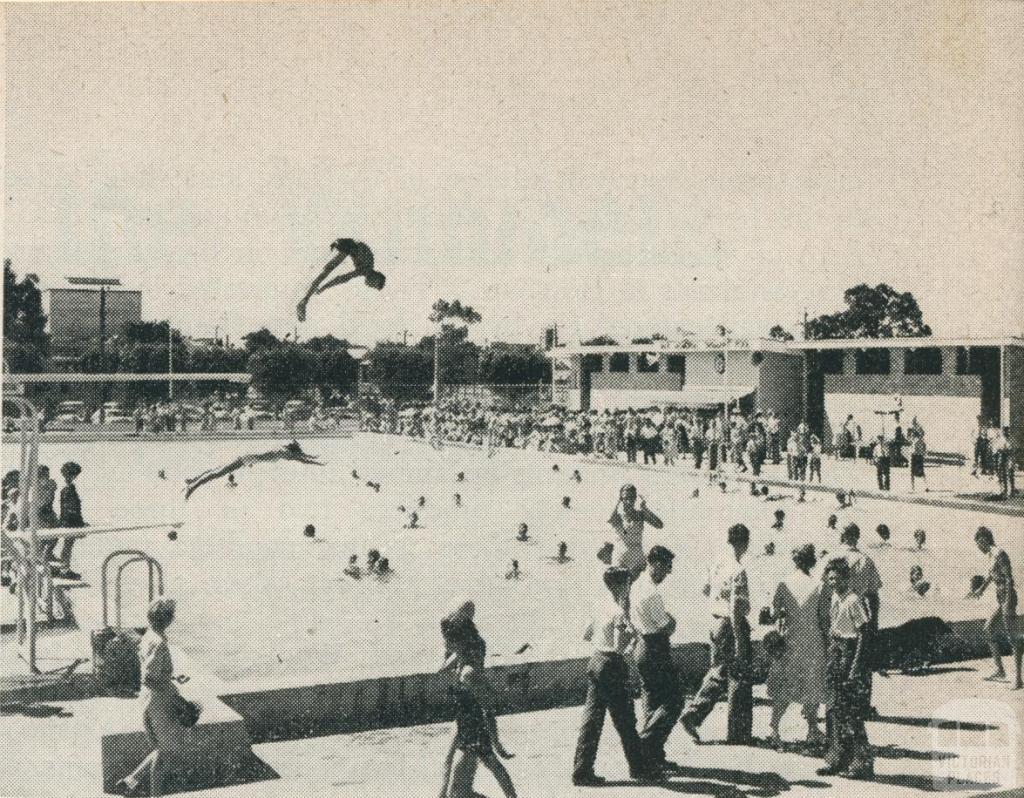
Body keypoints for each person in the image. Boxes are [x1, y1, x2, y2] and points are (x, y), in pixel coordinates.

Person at [572, 566, 658, 785]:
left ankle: (581, 771)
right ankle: (638, 768)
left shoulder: (600, 606)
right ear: (621, 585)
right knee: (625, 720)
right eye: (628, 583)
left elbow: (586, 634)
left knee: (591, 720)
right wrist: (631, 636)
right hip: (612, 666)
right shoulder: (618, 612)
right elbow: (620, 647)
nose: (630, 588)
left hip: (596, 661)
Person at [678, 523, 752, 745]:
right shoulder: (738, 570)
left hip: (715, 622)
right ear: (745, 543)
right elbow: (736, 608)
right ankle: (737, 732)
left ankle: (694, 713)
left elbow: (705, 590)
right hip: (731, 624)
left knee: (718, 671)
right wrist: (739, 639)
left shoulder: (717, 563)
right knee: (737, 675)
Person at [437, 602, 517, 798]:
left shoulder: (468, 673)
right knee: (449, 764)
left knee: (461, 790)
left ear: (458, 642)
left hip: (473, 727)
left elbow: (487, 707)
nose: (444, 645)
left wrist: (497, 742)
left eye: (447, 641)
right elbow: (468, 605)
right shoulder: (466, 653)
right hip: (463, 720)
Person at [115, 598, 189, 796]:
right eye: (171, 615)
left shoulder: (149, 636)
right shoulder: (160, 643)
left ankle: (131, 781)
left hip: (148, 701)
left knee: (162, 749)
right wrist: (175, 696)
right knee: (165, 753)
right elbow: (148, 677)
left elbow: (150, 671)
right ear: (168, 619)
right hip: (159, 704)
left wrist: (171, 676)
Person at [817, 558, 874, 779]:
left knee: (851, 714)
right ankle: (837, 759)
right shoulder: (834, 597)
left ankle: (862, 763)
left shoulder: (853, 600)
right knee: (834, 712)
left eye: (836, 578)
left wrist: (856, 665)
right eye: (829, 578)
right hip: (836, 653)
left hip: (849, 656)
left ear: (846, 578)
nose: (832, 582)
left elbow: (863, 634)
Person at [765, 544, 825, 747]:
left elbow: (773, 615)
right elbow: (824, 618)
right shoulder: (819, 584)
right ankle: (812, 729)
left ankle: (773, 728)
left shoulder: (784, 583)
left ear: (795, 561)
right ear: (812, 561)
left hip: (790, 640)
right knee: (812, 684)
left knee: (785, 685)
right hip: (813, 640)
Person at [819, 524, 882, 711]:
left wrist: (823, 622)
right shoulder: (866, 560)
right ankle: (861, 706)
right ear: (857, 536)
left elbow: (821, 593)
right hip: (858, 609)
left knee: (836, 661)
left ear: (842, 536)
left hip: (837, 611)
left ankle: (836, 703)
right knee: (860, 660)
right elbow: (874, 596)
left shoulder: (830, 558)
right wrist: (874, 623)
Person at [633, 546, 682, 774]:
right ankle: (646, 744)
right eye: (667, 567)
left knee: (652, 702)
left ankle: (653, 756)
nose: (668, 573)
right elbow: (667, 626)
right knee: (674, 701)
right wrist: (672, 621)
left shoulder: (636, 587)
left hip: (641, 646)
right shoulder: (651, 593)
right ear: (656, 564)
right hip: (655, 648)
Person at [968, 527, 1023, 689]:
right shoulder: (992, 555)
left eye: (978, 543)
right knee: (989, 629)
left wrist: (1007, 603)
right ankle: (1000, 670)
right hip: (1001, 599)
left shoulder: (1000, 554)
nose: (978, 547)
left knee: (1013, 639)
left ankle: (1019, 679)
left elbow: (1009, 579)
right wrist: (980, 591)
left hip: (1008, 598)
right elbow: (991, 576)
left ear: (984, 540)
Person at [184, 441, 324, 500]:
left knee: (215, 471)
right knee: (216, 474)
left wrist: (312, 458)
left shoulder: (282, 450)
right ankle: (192, 486)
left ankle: (193, 481)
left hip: (244, 458)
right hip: (242, 459)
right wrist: (315, 462)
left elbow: (299, 457)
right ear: (291, 451)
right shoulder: (282, 452)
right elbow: (299, 458)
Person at [607, 484, 663, 578]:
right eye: (626, 498)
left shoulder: (640, 515)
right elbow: (610, 519)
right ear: (622, 499)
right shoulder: (618, 516)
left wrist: (645, 508)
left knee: (635, 589)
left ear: (635, 499)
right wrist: (617, 502)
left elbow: (659, 525)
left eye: (632, 498)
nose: (629, 501)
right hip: (620, 557)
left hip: (637, 558)